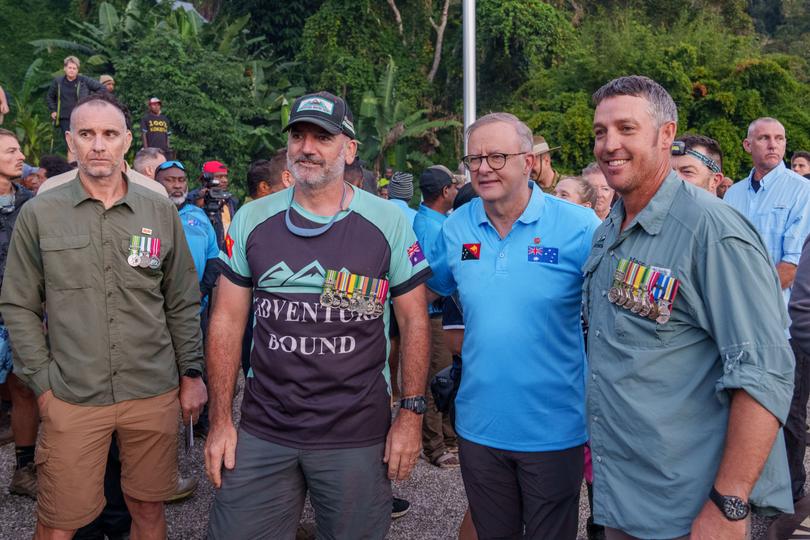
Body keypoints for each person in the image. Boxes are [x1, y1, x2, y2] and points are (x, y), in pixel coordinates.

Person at [204, 90, 431, 539]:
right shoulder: (252, 218)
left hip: (356, 433)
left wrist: (410, 416)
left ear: (348, 149)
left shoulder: (388, 221)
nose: (308, 147)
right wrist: (220, 421)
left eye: (323, 137)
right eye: (299, 136)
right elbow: (227, 321)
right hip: (265, 427)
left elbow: (415, 321)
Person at [583, 75, 793, 538]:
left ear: (666, 135)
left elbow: (764, 373)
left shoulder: (712, 232)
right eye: (600, 131)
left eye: (626, 128)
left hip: (690, 507)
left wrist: (729, 502)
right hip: (625, 493)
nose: (609, 144)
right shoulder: (609, 229)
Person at [0, 92, 207, 538]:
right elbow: (18, 303)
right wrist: (43, 382)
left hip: (151, 391)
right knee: (57, 520)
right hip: (73, 395)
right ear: (71, 142)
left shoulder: (159, 210)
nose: (98, 145)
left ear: (126, 141)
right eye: (87, 134)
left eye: (109, 134)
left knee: (148, 511)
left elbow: (182, 299)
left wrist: (191, 372)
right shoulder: (40, 214)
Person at [428, 112, 600, 538]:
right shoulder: (457, 225)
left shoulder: (579, 227)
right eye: (474, 158)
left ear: (529, 161)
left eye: (497, 156)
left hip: (553, 427)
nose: (483, 167)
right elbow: (427, 289)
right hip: (479, 426)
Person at [723, 118, 810, 508]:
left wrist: (744, 303)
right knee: (741, 407)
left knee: (788, 415)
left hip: (783, 324)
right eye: (763, 138)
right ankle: (748, 490)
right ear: (747, 145)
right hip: (735, 324)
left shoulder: (802, 191)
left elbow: (792, 266)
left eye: (779, 139)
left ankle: (789, 499)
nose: (772, 145)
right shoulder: (733, 196)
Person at [413, 165, 459, 469]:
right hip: (432, 313)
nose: (456, 191)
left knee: (443, 376)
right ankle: (434, 446)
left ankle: (447, 437)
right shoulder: (435, 228)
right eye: (453, 186)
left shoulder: (426, 221)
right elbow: (432, 275)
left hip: (436, 311)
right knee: (436, 379)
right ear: (445, 192)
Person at [0, 130, 38, 499]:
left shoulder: (32, 204)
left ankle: (24, 469)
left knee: (24, 388)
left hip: (19, 315)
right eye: (11, 150)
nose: (20, 156)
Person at [46, 56, 107, 142]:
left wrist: (90, 100)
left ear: (77, 70)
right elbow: (50, 97)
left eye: (74, 68)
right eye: (70, 68)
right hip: (65, 118)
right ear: (65, 68)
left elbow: (102, 88)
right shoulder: (58, 81)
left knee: (81, 142)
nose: (71, 70)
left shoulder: (83, 80)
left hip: (82, 117)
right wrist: (53, 110)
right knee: (70, 143)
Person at [190, 160, 239, 249]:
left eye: (225, 176)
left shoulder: (230, 200)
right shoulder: (194, 198)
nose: (224, 180)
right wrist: (198, 204)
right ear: (206, 178)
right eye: (219, 177)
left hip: (226, 253)